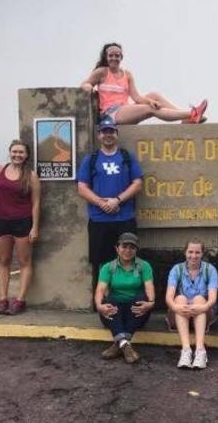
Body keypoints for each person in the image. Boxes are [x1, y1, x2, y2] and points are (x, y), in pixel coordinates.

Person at [77, 119, 143, 301]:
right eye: (104, 131)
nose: (108, 135)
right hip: (99, 220)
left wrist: (117, 200)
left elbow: (137, 184)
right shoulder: (91, 160)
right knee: (103, 263)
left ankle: (128, 298)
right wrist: (101, 203)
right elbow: (82, 187)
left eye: (111, 131)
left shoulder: (127, 157)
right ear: (99, 135)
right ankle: (106, 301)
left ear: (116, 134)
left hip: (125, 218)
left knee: (129, 259)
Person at [81, 42, 208, 125]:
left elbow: (136, 97)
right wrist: (88, 87)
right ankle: (192, 114)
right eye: (111, 56)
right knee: (150, 109)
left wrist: (149, 101)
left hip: (126, 109)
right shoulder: (102, 72)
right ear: (106, 57)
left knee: (154, 95)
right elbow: (86, 83)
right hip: (111, 114)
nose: (114, 58)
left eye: (117, 56)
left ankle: (185, 119)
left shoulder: (127, 74)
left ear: (121, 57)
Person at [0, 139, 41, 315]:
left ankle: (20, 300)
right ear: (9, 152)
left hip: (23, 222)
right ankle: (3, 299)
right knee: (4, 261)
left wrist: (34, 227)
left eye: (21, 152)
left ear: (26, 155)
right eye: (14, 152)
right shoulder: (0, 170)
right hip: (0, 221)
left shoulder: (32, 176)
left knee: (24, 262)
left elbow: (36, 204)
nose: (17, 155)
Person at [95, 232, 155, 364]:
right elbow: (100, 289)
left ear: (136, 250)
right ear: (117, 248)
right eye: (124, 246)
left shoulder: (143, 266)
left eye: (132, 247)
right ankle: (125, 344)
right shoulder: (108, 267)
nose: (128, 250)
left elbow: (149, 287)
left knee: (141, 298)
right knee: (109, 301)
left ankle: (119, 344)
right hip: (114, 312)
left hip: (135, 312)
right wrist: (99, 306)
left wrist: (150, 303)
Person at [165, 239, 218, 370]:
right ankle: (186, 350)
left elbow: (212, 298)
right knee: (180, 298)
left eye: (197, 252)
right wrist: (176, 307)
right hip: (180, 314)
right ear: (185, 252)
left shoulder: (210, 270)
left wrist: (203, 307)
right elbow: (168, 297)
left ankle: (200, 350)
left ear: (202, 253)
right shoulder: (176, 269)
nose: (193, 256)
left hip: (202, 315)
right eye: (190, 252)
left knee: (200, 298)